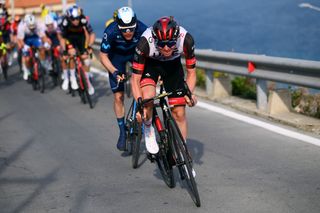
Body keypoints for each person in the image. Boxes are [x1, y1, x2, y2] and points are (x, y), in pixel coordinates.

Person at [131, 16, 197, 154]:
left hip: (173, 66)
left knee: (179, 112)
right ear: (155, 40)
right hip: (150, 65)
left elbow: (191, 73)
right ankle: (149, 128)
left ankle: (182, 151)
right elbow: (135, 79)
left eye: (171, 44)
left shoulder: (186, 40)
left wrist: (189, 93)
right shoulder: (144, 43)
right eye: (161, 45)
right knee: (148, 97)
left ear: (177, 38)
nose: (166, 48)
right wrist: (140, 105)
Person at [99, 6, 147, 151]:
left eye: (131, 28)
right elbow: (103, 56)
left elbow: (151, 53)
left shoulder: (143, 29)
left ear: (135, 24)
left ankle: (140, 117)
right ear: (118, 25)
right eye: (124, 29)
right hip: (117, 58)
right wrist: (114, 72)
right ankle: (122, 132)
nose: (128, 32)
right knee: (118, 97)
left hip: (135, 55)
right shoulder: (111, 31)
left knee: (144, 89)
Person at [59, 4, 95, 94]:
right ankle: (71, 78)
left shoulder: (83, 19)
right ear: (69, 18)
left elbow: (92, 34)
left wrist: (90, 45)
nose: (76, 21)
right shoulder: (65, 21)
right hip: (69, 38)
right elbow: (62, 38)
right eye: (73, 19)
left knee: (85, 58)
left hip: (80, 37)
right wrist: (64, 50)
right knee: (70, 55)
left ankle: (88, 81)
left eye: (77, 18)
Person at [17, 14, 49, 81]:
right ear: (26, 24)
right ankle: (27, 70)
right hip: (25, 39)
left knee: (41, 48)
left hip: (35, 37)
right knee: (27, 58)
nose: (32, 28)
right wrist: (25, 46)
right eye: (30, 27)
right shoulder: (21, 26)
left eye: (33, 27)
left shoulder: (38, 24)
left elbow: (43, 36)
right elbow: (20, 40)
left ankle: (43, 64)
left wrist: (46, 43)